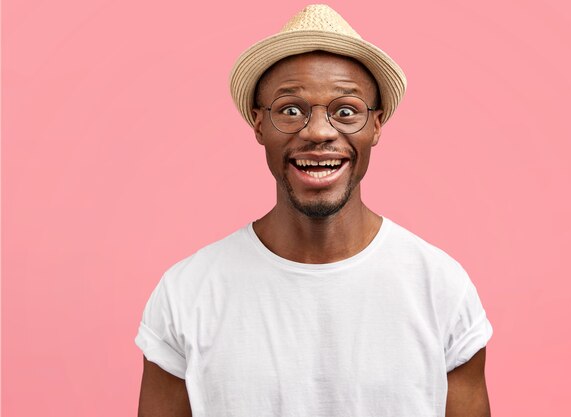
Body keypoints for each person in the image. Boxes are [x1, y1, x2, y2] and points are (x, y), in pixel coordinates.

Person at [136, 4, 493, 417]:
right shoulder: (187, 294)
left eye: (346, 111)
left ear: (376, 125)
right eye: (290, 110)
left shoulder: (441, 288)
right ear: (258, 124)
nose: (319, 132)